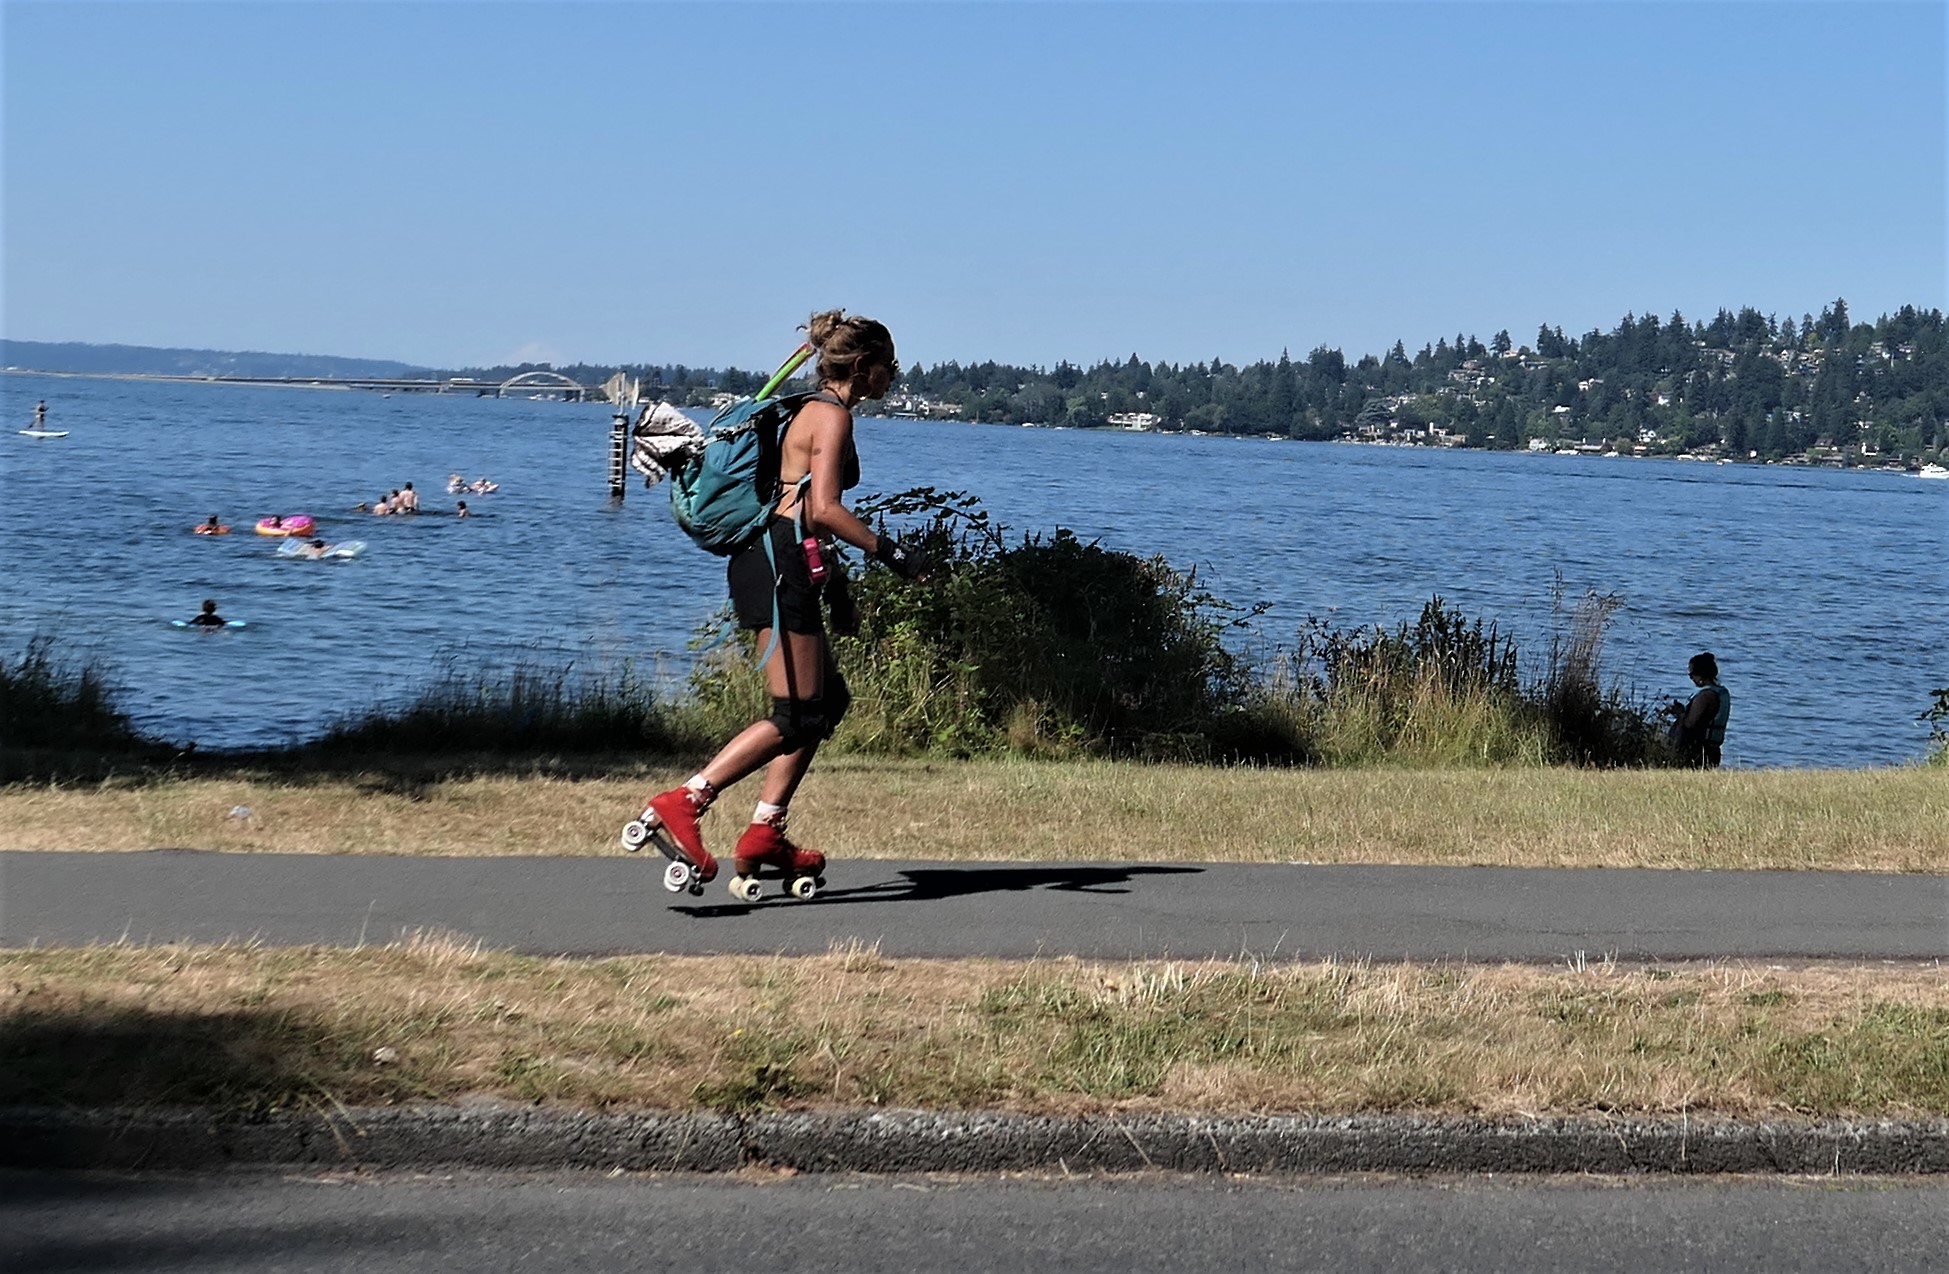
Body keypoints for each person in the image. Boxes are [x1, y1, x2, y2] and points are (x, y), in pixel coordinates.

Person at [626, 309, 931, 897]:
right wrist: (897, 555)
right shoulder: (829, 415)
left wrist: (837, 585)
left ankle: (765, 830)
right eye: (889, 366)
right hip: (775, 566)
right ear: (864, 366)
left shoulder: (811, 410)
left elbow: (800, 511)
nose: (892, 376)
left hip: (784, 562)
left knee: (826, 702)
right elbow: (822, 509)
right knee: (794, 714)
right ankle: (686, 799)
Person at [1666, 651, 1732, 768]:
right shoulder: (1722, 692)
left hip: (1699, 752)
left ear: (1700, 675)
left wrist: (1679, 712)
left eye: (1691, 674)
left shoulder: (1706, 696)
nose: (1690, 677)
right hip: (1714, 750)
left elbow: (1690, 724)